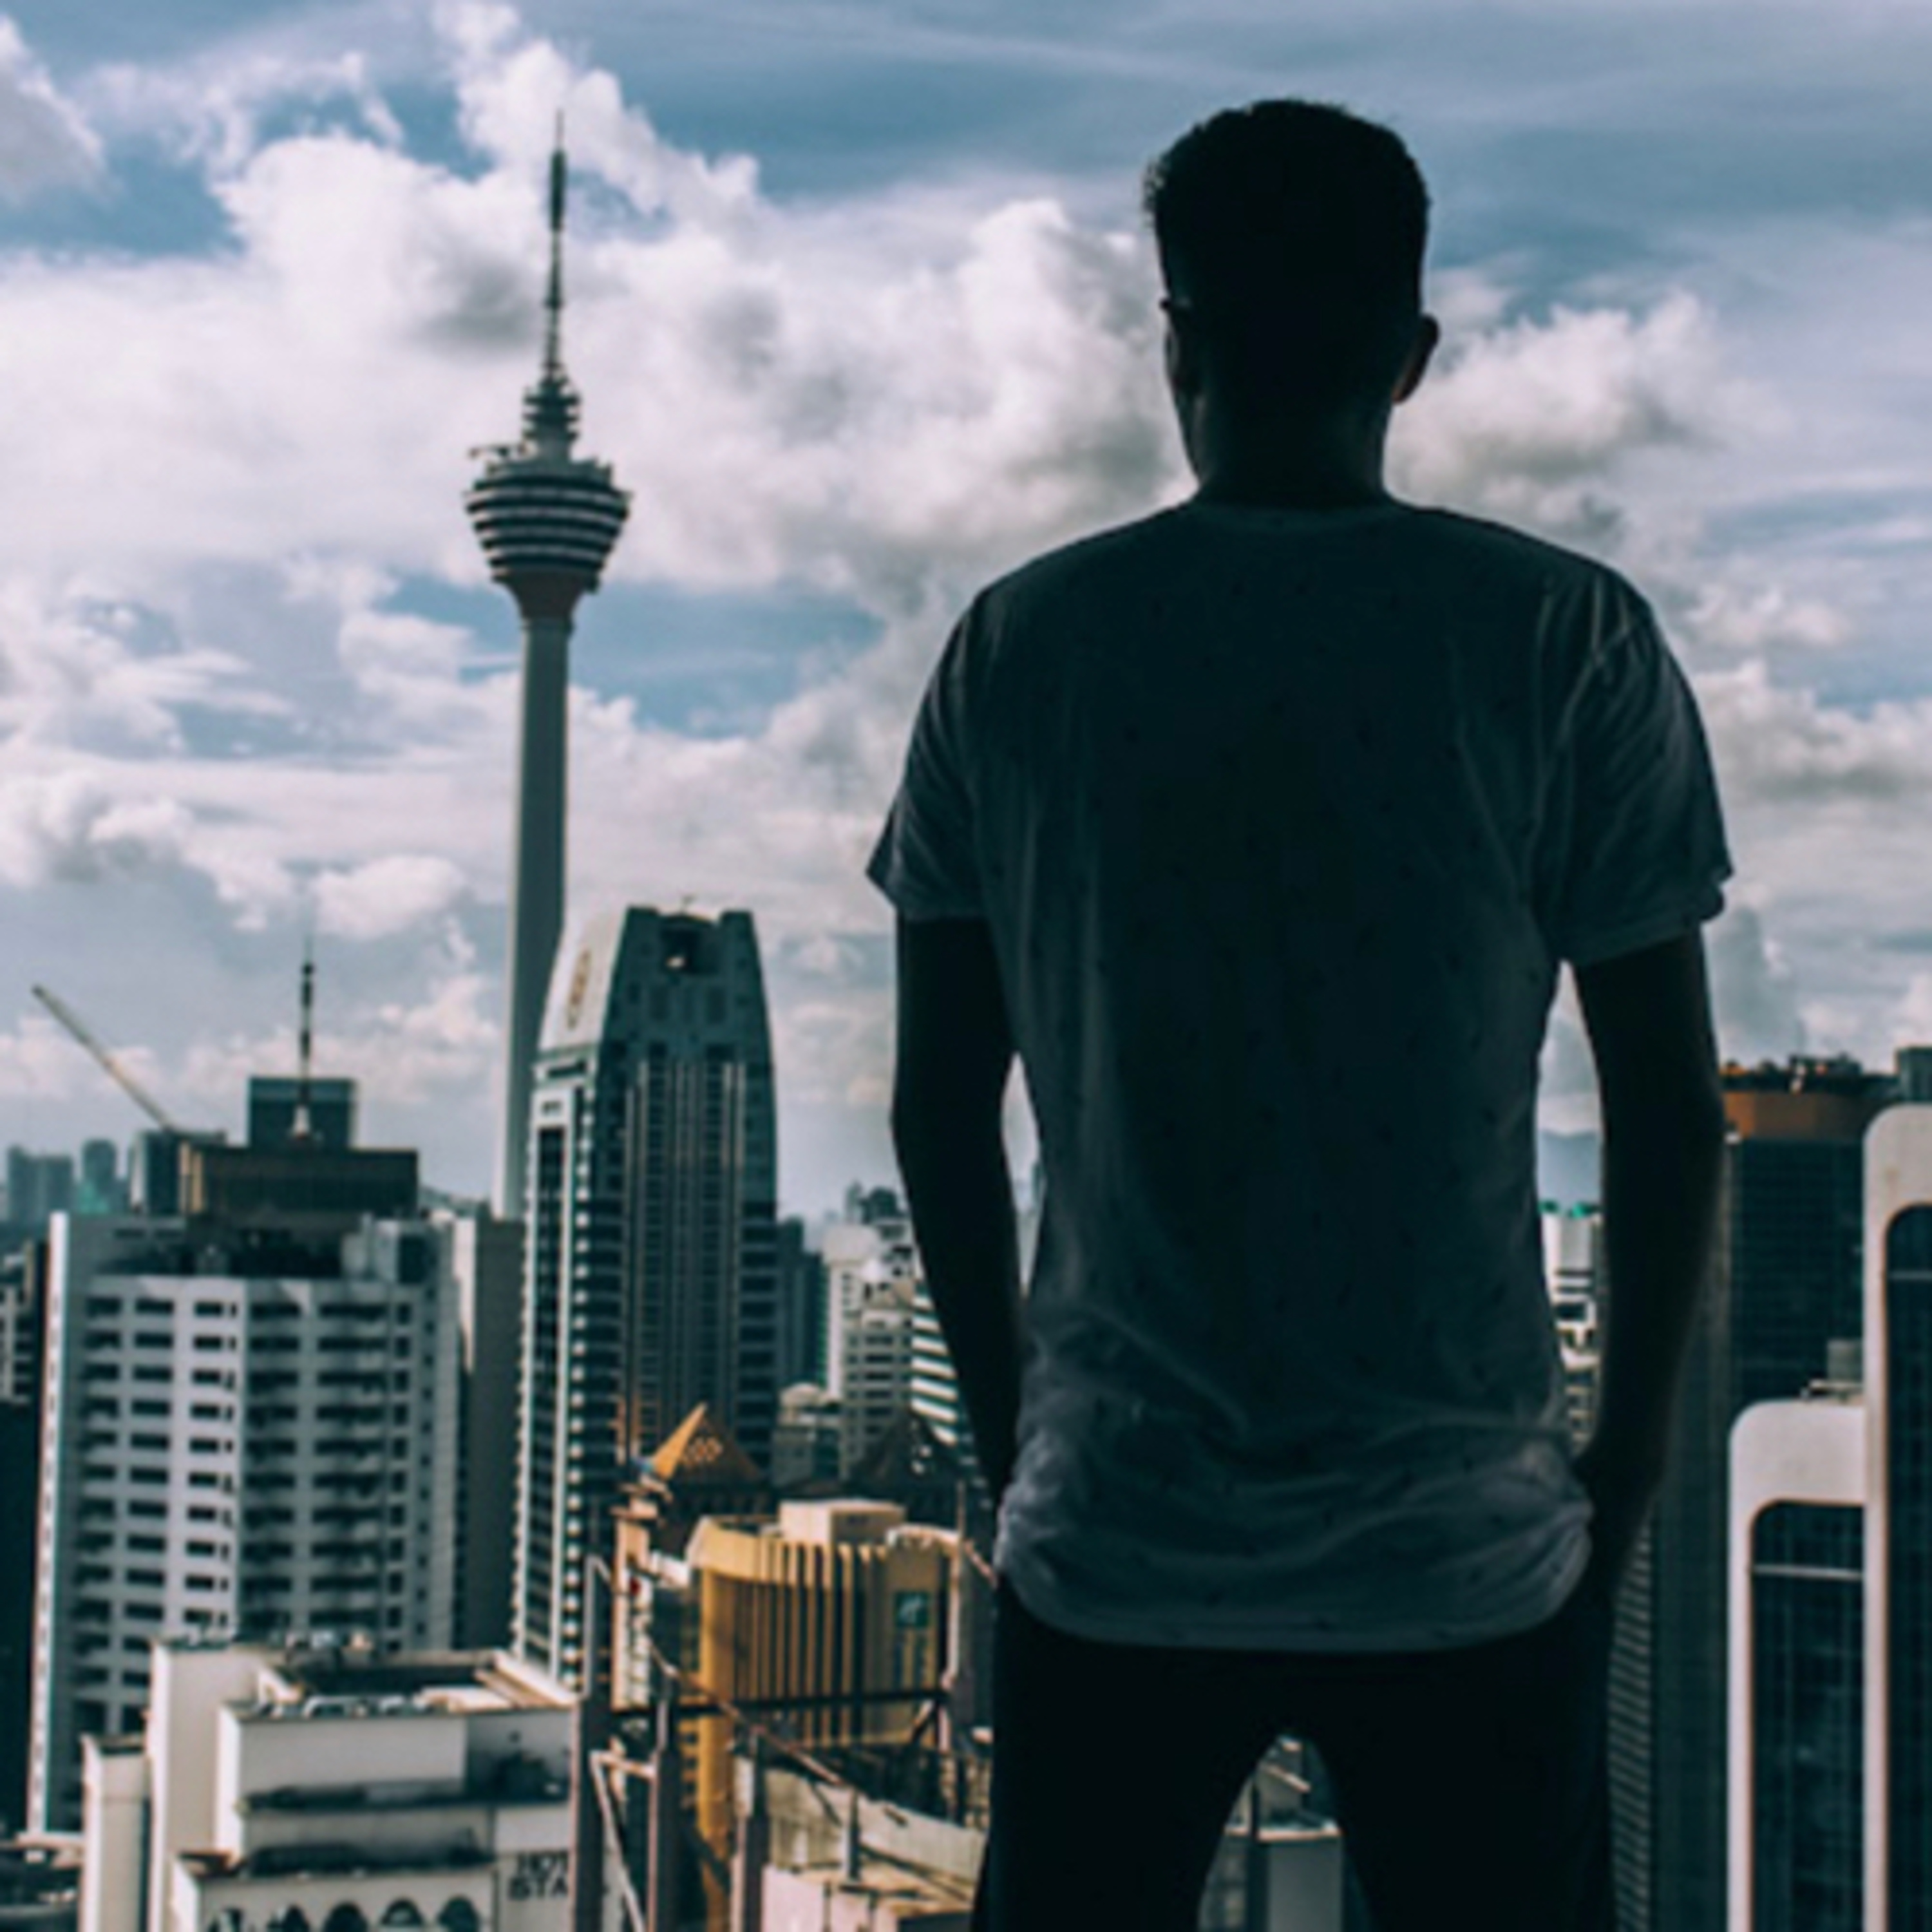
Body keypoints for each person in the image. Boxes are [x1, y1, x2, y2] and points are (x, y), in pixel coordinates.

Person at [864, 99, 1729, 1932]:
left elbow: (940, 1107)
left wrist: (1021, 1456)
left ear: (1174, 343)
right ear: (1413, 353)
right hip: (1468, 1551)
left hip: (1111, 1540)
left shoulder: (1020, 648)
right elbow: (1667, 1107)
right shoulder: (1565, 638)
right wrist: (1627, 1468)